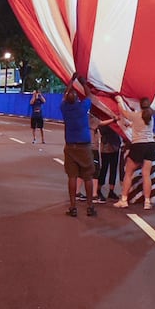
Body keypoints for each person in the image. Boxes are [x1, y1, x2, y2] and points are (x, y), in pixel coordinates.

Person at [60, 79, 99, 217]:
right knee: (87, 177)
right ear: (77, 99)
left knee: (72, 176)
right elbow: (89, 96)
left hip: (70, 147)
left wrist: (71, 81)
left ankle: (73, 207)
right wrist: (83, 83)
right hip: (84, 147)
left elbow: (65, 94)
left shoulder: (65, 108)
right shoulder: (82, 107)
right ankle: (90, 207)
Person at [114, 96, 155, 210]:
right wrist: (132, 125)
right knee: (146, 174)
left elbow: (123, 112)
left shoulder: (136, 115)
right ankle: (147, 202)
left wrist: (119, 101)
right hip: (151, 145)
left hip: (138, 145)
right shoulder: (150, 117)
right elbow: (141, 124)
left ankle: (124, 200)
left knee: (128, 173)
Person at [95, 109, 123, 201]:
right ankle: (98, 189)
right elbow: (102, 129)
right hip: (106, 147)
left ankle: (111, 190)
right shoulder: (102, 120)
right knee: (104, 169)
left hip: (115, 145)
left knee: (113, 169)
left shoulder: (115, 119)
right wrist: (113, 121)